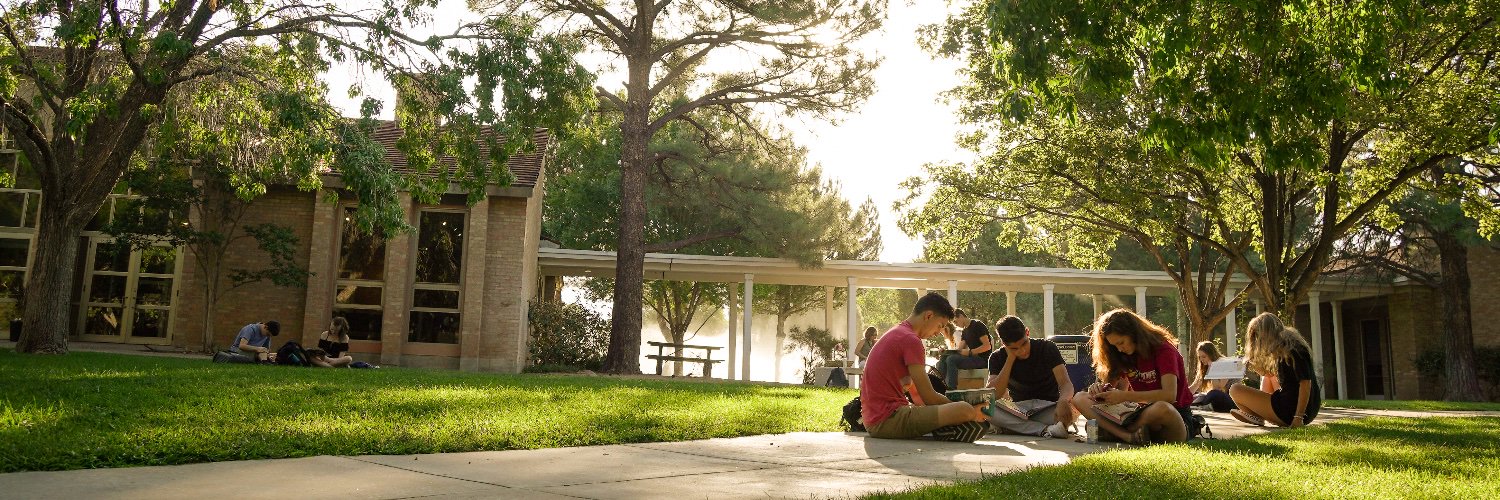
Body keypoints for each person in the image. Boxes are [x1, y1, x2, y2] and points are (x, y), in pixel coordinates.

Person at [861, 293, 989, 441]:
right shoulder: (911, 340)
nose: (937, 333)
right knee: (964, 409)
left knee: (957, 409)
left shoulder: (898, 332)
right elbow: (929, 397)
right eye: (940, 326)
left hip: (874, 419)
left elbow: (917, 395)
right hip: (889, 419)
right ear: (928, 316)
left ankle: (946, 426)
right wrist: (970, 411)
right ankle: (949, 427)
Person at [1070, 309, 1194, 445]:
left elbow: (1169, 395)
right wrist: (1098, 389)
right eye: (1114, 345)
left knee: (1162, 408)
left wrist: (1124, 396)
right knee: (1079, 398)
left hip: (1174, 417)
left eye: (1121, 342)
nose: (1119, 349)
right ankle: (1127, 436)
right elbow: (1108, 387)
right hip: (1138, 415)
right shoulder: (1122, 355)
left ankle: (1111, 431)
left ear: (1134, 333)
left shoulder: (1164, 350)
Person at [986, 315, 1075, 438]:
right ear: (1003, 344)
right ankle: (1046, 430)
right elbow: (994, 394)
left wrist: (1063, 400)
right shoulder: (997, 357)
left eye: (1024, 344)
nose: (1022, 351)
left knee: (1074, 407)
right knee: (984, 407)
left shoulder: (1047, 347)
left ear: (1027, 332)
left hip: (1049, 406)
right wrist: (1010, 359)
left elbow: (1065, 383)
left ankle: (1014, 426)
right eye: (1014, 348)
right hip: (1019, 409)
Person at [1229, 313, 1321, 428]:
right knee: (1268, 377)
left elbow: (1305, 383)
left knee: (1235, 389)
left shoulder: (1293, 351)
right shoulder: (1288, 346)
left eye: (1257, 336)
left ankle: (1257, 416)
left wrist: (1298, 417)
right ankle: (1258, 416)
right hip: (1307, 411)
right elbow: (1267, 374)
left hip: (1291, 412)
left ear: (1264, 334)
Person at [936, 309, 993, 389]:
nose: (955, 325)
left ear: (961, 316)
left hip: (982, 359)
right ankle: (939, 386)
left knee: (951, 359)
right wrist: (945, 351)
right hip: (972, 358)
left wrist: (970, 352)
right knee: (944, 357)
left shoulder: (977, 325)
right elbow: (959, 350)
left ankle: (952, 389)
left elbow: (987, 346)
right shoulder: (965, 331)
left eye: (955, 322)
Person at [1190, 341, 1238, 412]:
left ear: (1211, 355)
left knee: (1213, 394)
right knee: (1198, 396)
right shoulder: (1205, 367)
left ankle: (1204, 405)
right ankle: (1203, 405)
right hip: (1217, 398)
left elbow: (1219, 387)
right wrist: (1182, 396)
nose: (1201, 360)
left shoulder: (1224, 363)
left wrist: (1212, 368)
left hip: (1232, 400)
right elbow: (1194, 386)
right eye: (1199, 357)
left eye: (1204, 357)